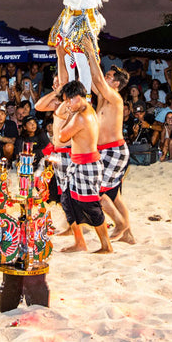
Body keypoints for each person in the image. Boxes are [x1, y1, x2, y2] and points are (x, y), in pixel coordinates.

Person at [80, 38, 133, 244]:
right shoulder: (102, 95)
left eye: (109, 76)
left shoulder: (114, 97)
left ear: (116, 84)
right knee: (114, 195)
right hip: (106, 151)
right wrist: (84, 55)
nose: (105, 77)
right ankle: (128, 234)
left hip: (114, 151)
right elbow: (93, 77)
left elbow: (98, 80)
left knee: (97, 193)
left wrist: (91, 51)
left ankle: (120, 224)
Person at [56, 79, 112, 254]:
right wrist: (69, 111)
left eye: (68, 100)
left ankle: (106, 246)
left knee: (90, 206)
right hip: (79, 163)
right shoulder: (86, 109)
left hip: (87, 165)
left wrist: (68, 116)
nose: (67, 104)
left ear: (78, 97)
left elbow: (62, 137)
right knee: (67, 200)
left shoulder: (80, 116)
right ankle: (80, 242)